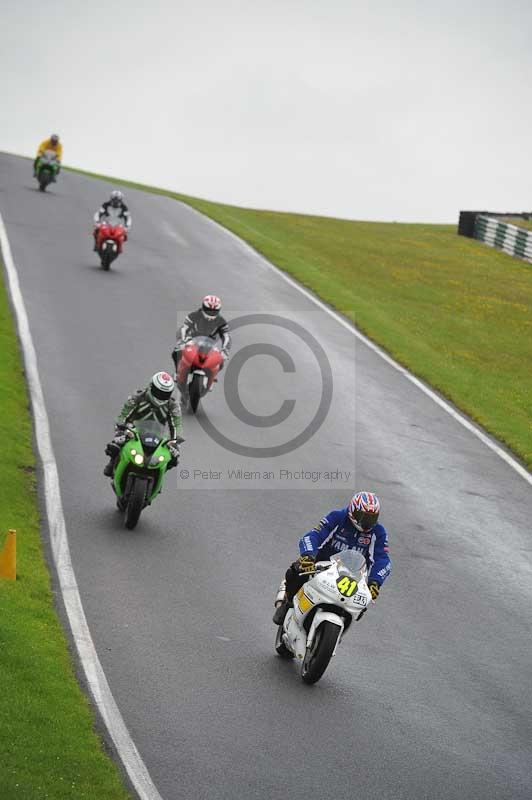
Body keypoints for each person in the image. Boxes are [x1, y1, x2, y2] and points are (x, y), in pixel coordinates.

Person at [272, 491, 391, 625]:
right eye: (363, 517)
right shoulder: (338, 517)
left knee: (363, 602)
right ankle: (287, 604)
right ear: (352, 511)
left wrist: (375, 582)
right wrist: (308, 556)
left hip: (354, 575)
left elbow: (383, 560)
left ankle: (341, 624)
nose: (366, 522)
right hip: (324, 566)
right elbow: (314, 535)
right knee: (297, 570)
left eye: (371, 518)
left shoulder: (378, 532)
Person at [103, 371, 183, 477]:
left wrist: (175, 440)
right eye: (158, 392)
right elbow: (124, 414)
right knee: (115, 445)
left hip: (158, 436)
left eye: (165, 394)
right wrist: (121, 427)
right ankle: (112, 463)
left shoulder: (172, 405)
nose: (161, 396)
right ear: (151, 386)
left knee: (173, 458)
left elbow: (176, 424)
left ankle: (159, 474)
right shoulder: (138, 397)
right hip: (133, 432)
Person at [171, 295, 231, 377]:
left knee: (221, 361)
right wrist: (182, 341)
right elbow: (184, 328)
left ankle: (212, 377)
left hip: (211, 345)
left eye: (214, 311)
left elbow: (226, 336)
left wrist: (225, 350)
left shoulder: (221, 321)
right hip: (192, 341)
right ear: (203, 307)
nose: (211, 313)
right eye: (208, 310)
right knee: (176, 351)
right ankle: (178, 372)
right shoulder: (193, 316)